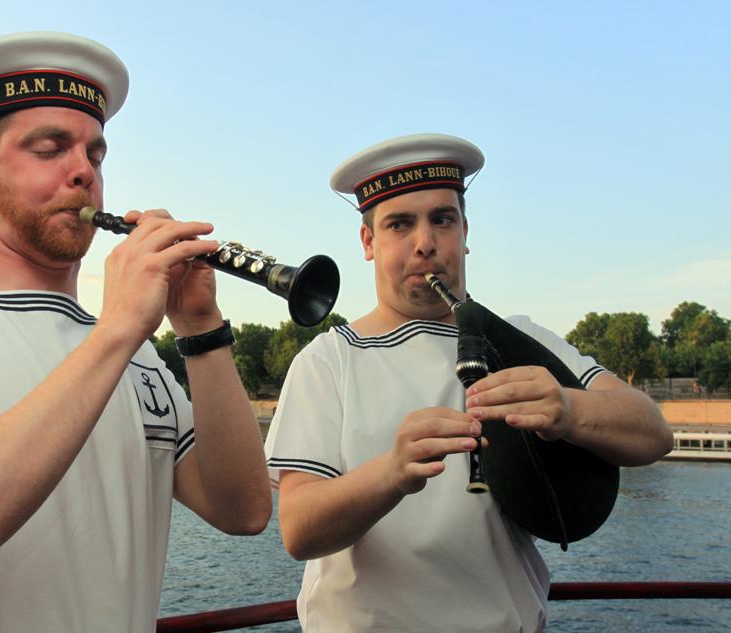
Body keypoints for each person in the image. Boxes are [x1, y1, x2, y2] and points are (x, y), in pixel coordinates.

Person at [0, 32, 271, 633]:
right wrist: (115, 332)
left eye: (95, 154)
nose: (83, 172)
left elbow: (242, 509)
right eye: (49, 148)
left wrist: (199, 328)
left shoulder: (133, 352)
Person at [264, 133, 673, 633]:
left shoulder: (522, 337)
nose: (425, 243)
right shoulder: (328, 360)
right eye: (399, 224)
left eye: (442, 219)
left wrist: (568, 408)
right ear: (368, 243)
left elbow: (653, 432)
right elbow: (299, 529)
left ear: (465, 230)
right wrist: (392, 472)